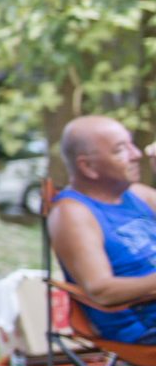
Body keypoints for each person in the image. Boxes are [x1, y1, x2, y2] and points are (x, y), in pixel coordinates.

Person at [47, 116, 156, 345]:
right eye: (120, 150)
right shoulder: (73, 213)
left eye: (132, 145)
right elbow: (102, 290)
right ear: (88, 167)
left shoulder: (138, 195)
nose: (136, 154)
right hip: (142, 327)